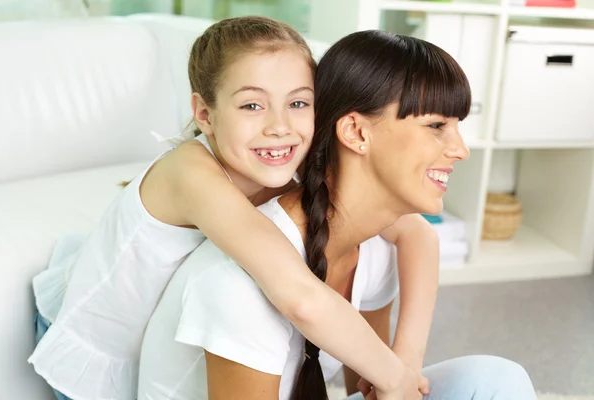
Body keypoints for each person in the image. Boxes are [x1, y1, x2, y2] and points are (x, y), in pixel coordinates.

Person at [29, 17, 438, 400]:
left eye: (298, 104)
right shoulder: (191, 173)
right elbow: (298, 295)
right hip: (102, 343)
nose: (279, 126)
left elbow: (417, 232)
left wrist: (408, 355)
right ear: (205, 114)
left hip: (171, 331)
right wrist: (394, 376)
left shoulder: (282, 157)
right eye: (252, 106)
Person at [138, 30, 539, 400]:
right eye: (436, 126)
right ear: (356, 133)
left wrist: (403, 369)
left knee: (496, 380)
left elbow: (374, 385)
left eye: (456, 127)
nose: (459, 149)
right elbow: (305, 303)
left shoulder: (378, 249)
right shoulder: (236, 281)